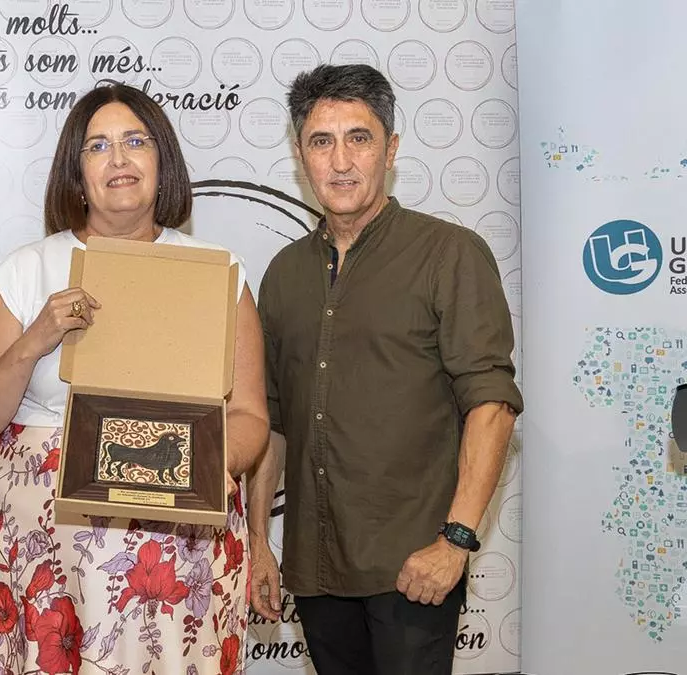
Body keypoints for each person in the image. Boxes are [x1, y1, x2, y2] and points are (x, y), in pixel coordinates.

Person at [0, 83, 269, 675]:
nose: (118, 158)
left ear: (162, 161)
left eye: (135, 141)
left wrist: (195, 466)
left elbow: (250, 417)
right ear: (76, 175)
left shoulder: (219, 271)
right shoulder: (26, 270)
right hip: (46, 551)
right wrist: (36, 339)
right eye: (97, 146)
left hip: (178, 553)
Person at [248, 64, 523, 675]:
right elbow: (271, 424)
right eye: (321, 142)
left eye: (360, 138)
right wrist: (258, 544)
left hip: (414, 566)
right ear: (301, 155)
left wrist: (455, 540)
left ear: (391, 149)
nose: (341, 161)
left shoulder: (449, 254)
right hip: (315, 570)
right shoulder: (284, 274)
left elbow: (493, 406)